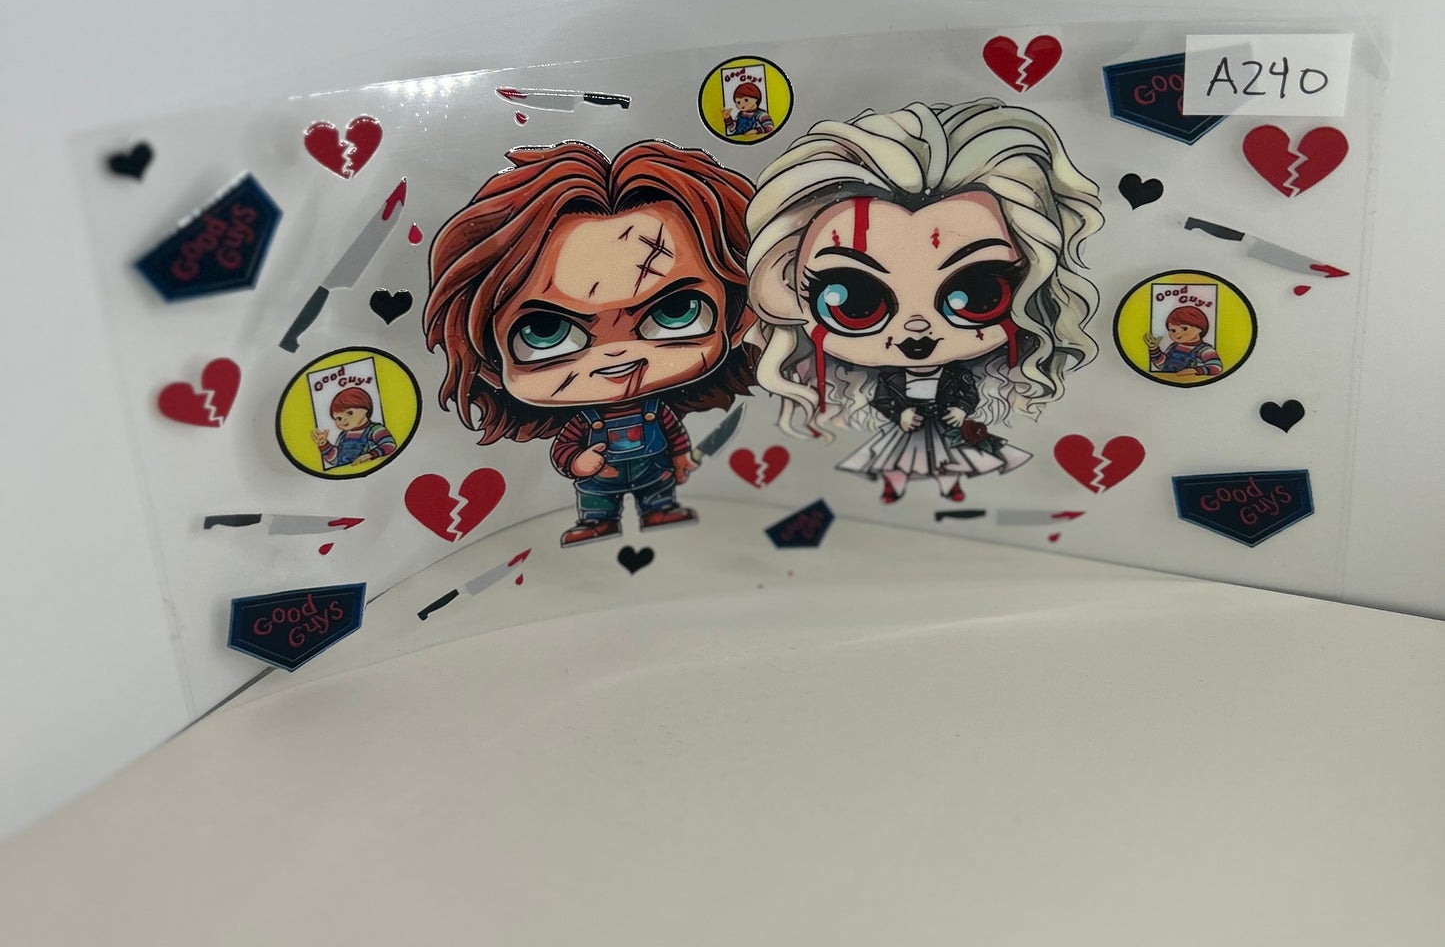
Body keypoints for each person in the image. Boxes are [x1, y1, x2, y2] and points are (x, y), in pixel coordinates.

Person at [745, 99, 1103, 504]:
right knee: (902, 459)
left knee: (949, 459)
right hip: (909, 428)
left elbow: (964, 391)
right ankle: (899, 488)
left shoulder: (956, 374)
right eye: (856, 303)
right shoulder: (890, 380)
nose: (917, 327)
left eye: (977, 295)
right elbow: (885, 398)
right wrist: (900, 413)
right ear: (784, 287)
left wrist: (960, 410)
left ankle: (946, 488)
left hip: (941, 426)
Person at [423, 139, 757, 546]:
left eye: (676, 311)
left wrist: (682, 457)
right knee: (597, 500)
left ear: (739, 317)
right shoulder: (584, 423)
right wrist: (577, 461)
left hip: (660, 478)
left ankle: (659, 509)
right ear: (488, 359)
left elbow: (674, 435)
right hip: (597, 482)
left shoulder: (658, 411)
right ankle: (598, 521)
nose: (616, 354)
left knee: (658, 494)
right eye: (546, 331)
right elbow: (565, 449)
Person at [311, 387, 397, 469]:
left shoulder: (375, 429)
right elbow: (336, 460)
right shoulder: (343, 435)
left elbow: (389, 445)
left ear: (365, 409)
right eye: (339, 418)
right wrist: (324, 445)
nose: (344, 420)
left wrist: (371, 455)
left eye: (349, 413)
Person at [1146, 305, 1222, 379]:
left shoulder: (1205, 350)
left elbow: (1216, 368)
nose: (1177, 333)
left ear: (1199, 328)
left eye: (1184, 328)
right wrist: (1154, 349)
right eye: (1173, 330)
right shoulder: (1173, 346)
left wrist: (1196, 370)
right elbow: (1162, 365)